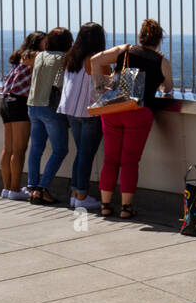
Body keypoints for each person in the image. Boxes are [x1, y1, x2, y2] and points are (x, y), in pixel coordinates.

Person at [90, 19, 173, 219]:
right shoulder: (161, 60)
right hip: (139, 111)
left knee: (110, 158)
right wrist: (160, 88)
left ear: (140, 37)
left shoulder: (124, 50)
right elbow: (167, 87)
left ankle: (105, 205)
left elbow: (95, 60)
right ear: (159, 40)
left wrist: (100, 87)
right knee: (129, 161)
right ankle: (126, 208)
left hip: (114, 108)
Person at [59, 22, 106, 210]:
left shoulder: (71, 55)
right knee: (86, 155)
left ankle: (75, 193)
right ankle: (81, 194)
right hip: (89, 111)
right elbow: (105, 82)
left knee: (81, 153)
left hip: (71, 110)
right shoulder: (94, 59)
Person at [24, 26, 73, 205]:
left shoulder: (40, 56)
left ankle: (31, 186)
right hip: (50, 107)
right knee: (60, 150)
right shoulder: (63, 59)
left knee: (36, 148)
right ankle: (42, 188)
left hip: (33, 104)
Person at [0, 30, 44, 201]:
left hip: (6, 101)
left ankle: (7, 188)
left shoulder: (20, 57)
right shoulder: (34, 56)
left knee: (8, 148)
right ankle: (15, 188)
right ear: (37, 43)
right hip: (19, 103)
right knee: (19, 149)